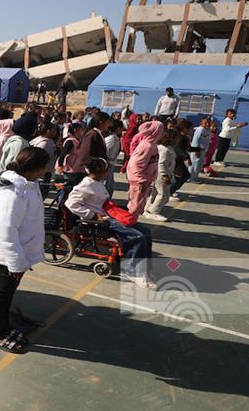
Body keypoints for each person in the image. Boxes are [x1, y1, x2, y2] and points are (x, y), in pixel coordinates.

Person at [0, 147, 50, 353]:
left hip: (18, 252)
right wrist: (16, 263)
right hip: (8, 255)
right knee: (1, 294)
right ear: (37, 169)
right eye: (44, 168)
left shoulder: (27, 185)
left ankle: (2, 324)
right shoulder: (12, 193)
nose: (45, 172)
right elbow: (6, 231)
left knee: (6, 293)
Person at [66, 158, 154, 287]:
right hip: (101, 221)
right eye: (107, 170)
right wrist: (92, 215)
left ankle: (144, 269)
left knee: (146, 232)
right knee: (137, 236)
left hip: (110, 214)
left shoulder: (97, 182)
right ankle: (132, 271)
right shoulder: (84, 186)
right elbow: (70, 203)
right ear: (100, 171)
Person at [125, 121, 163, 218]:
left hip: (145, 181)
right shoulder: (146, 146)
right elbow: (135, 164)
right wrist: (140, 180)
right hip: (139, 182)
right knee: (135, 206)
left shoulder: (152, 145)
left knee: (139, 205)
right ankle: (128, 223)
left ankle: (132, 221)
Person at [142, 128, 177, 222]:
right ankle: (154, 212)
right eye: (176, 138)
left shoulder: (166, 148)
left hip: (158, 174)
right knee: (164, 195)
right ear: (171, 138)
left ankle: (147, 209)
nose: (178, 141)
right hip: (161, 175)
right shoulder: (164, 150)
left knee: (155, 193)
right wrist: (164, 175)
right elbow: (161, 163)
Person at [189, 117, 211, 181]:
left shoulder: (208, 130)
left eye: (208, 123)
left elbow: (206, 141)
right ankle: (191, 178)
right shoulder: (200, 129)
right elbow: (195, 140)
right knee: (194, 164)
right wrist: (196, 150)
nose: (207, 124)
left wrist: (206, 150)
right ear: (201, 123)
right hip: (197, 150)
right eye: (205, 123)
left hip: (203, 150)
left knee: (199, 165)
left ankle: (195, 177)